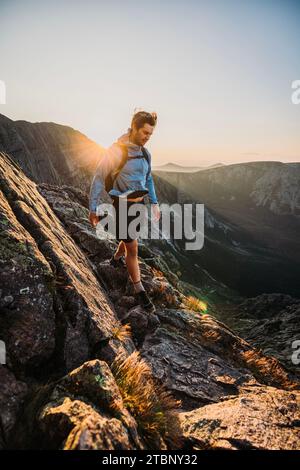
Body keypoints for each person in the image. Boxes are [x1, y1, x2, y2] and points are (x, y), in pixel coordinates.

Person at [89, 110, 161, 313]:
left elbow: (148, 179)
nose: (147, 138)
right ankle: (139, 290)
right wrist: (92, 207)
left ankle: (115, 259)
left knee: (130, 238)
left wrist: (154, 203)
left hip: (139, 204)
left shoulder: (145, 153)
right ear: (133, 128)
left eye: (150, 134)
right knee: (134, 249)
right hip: (122, 204)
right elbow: (99, 177)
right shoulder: (116, 151)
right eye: (145, 133)